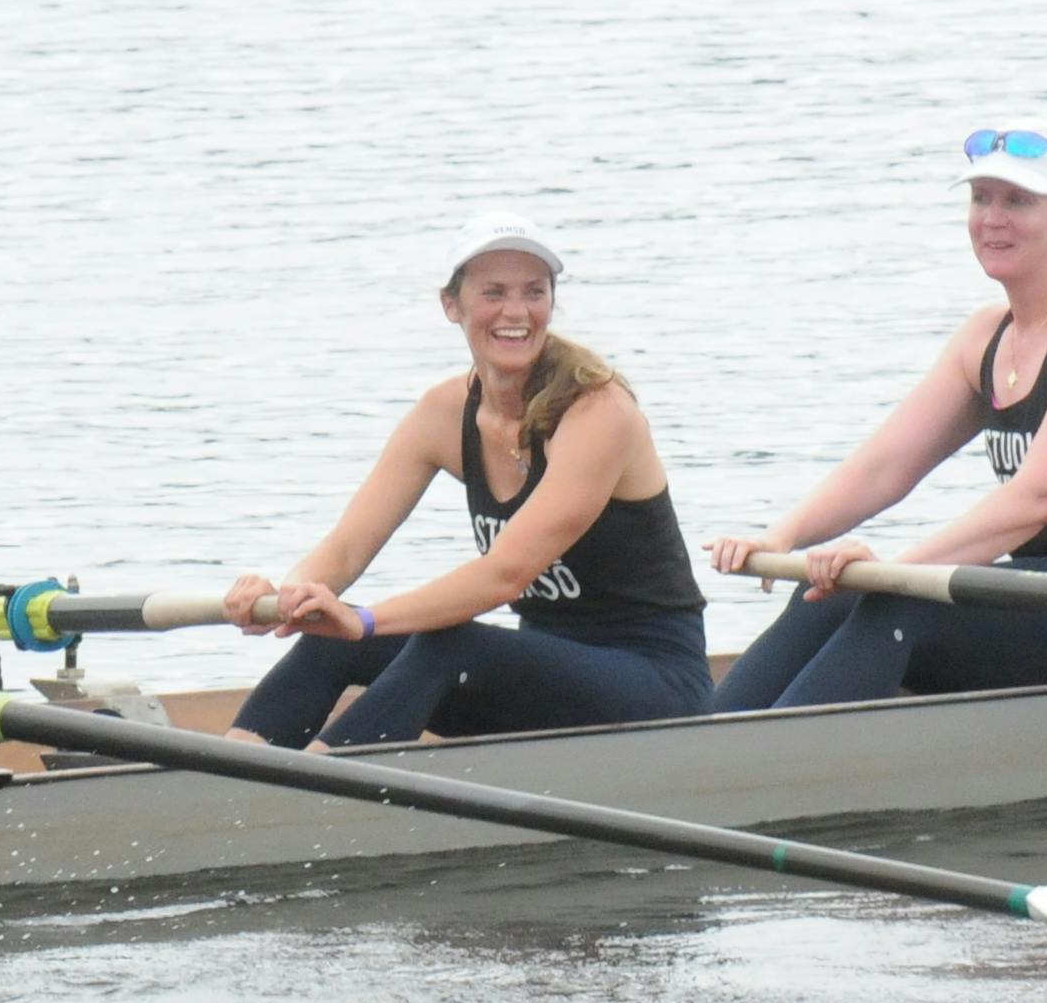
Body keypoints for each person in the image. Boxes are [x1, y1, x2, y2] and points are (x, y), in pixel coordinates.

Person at [703, 132, 1047, 710]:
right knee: (825, 594)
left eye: (1018, 202)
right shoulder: (984, 337)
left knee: (898, 600)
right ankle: (698, 748)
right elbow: (884, 468)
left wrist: (893, 573)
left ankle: (765, 772)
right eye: (982, 199)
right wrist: (785, 535)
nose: (993, 219)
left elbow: (1040, 499)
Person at [215, 225, 716, 754]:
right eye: (493, 293)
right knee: (331, 644)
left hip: (657, 689)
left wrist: (361, 620)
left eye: (534, 292)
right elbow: (346, 547)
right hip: (543, 678)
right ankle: (227, 781)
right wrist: (291, 598)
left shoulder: (598, 411)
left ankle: (305, 803)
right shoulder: (443, 412)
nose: (517, 312)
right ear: (451, 305)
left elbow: (506, 573)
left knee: (447, 642)